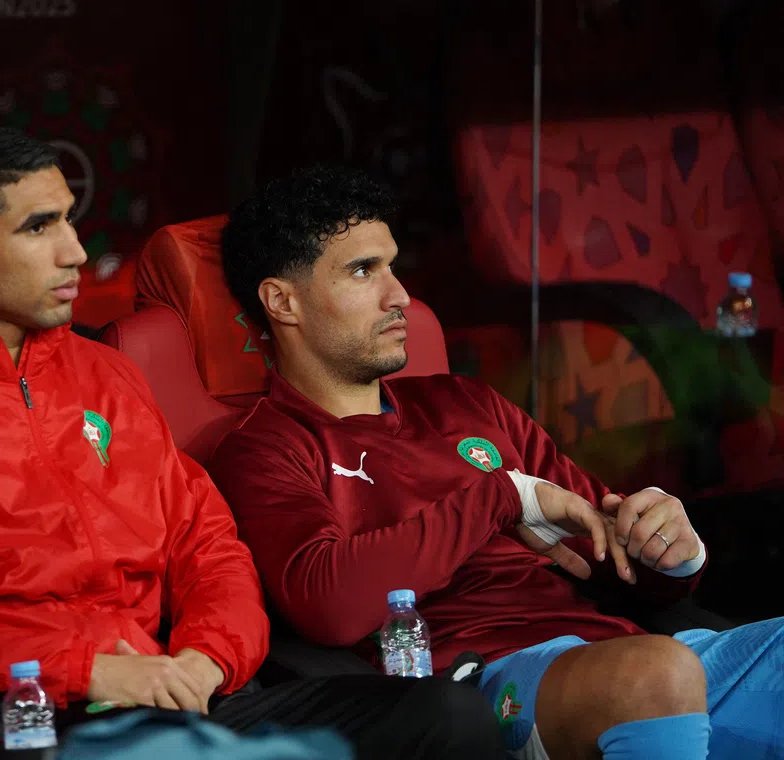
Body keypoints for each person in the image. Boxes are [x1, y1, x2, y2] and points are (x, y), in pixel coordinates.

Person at [0, 127, 505, 759]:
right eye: (39, 228)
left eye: (70, 220)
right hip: (21, 716)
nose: (75, 252)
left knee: (447, 717)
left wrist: (207, 658)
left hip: (174, 689)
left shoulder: (105, 374)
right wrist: (80, 667)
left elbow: (208, 546)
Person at [209, 164, 784, 760]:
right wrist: (501, 498)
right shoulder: (266, 449)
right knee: (655, 674)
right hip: (491, 684)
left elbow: (609, 557)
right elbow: (328, 605)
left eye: (392, 266)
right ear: (283, 302)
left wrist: (672, 553)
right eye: (362, 271)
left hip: (632, 657)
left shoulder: (466, 403)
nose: (399, 295)